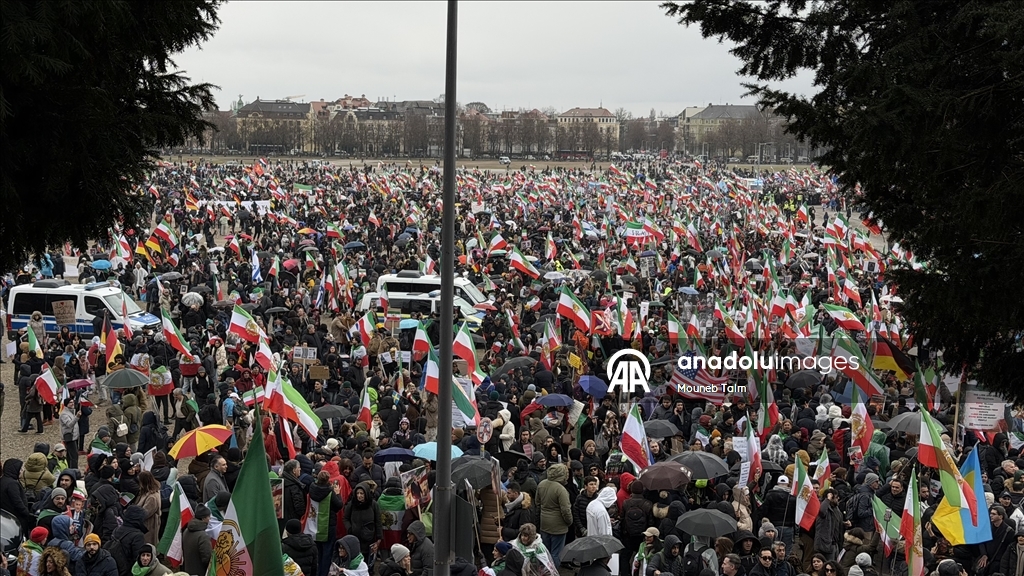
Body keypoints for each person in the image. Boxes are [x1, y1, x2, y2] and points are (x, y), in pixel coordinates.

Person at [535, 463, 572, 566]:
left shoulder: (541, 484)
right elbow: (566, 510)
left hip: (544, 523)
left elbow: (537, 503)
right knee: (556, 553)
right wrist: (569, 522)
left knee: (545, 552)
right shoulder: (560, 489)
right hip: (558, 526)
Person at [181, 504, 213, 576]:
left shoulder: (186, 531)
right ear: (203, 518)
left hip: (188, 571)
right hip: (200, 572)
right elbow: (207, 558)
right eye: (208, 517)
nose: (209, 519)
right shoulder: (203, 536)